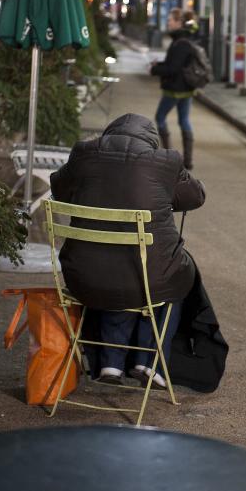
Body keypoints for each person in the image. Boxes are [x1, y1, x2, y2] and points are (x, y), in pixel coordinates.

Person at [49, 113, 206, 390]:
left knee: (117, 267)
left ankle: (111, 361)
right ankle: (148, 363)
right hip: (145, 278)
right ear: (150, 141)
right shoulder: (166, 161)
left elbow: (59, 188)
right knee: (170, 274)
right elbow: (195, 197)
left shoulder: (84, 152)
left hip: (83, 277)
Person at [149, 8, 200, 170]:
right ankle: (188, 160)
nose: (168, 22)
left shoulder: (180, 43)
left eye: (171, 20)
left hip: (175, 89)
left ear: (179, 23)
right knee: (184, 119)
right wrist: (160, 66)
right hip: (187, 89)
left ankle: (168, 157)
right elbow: (175, 65)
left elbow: (173, 69)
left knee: (160, 117)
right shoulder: (186, 41)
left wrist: (155, 69)